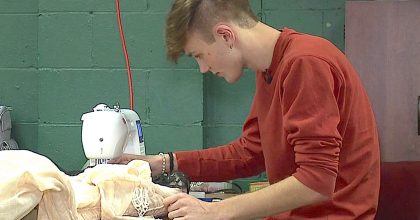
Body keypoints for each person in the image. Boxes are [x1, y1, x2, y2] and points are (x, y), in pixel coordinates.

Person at [109, 0, 381, 219]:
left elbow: (316, 180)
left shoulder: (305, 63)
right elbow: (249, 154)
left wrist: (216, 211)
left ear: (225, 35)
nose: (203, 69)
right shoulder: (271, 69)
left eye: (199, 55)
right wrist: (164, 162)